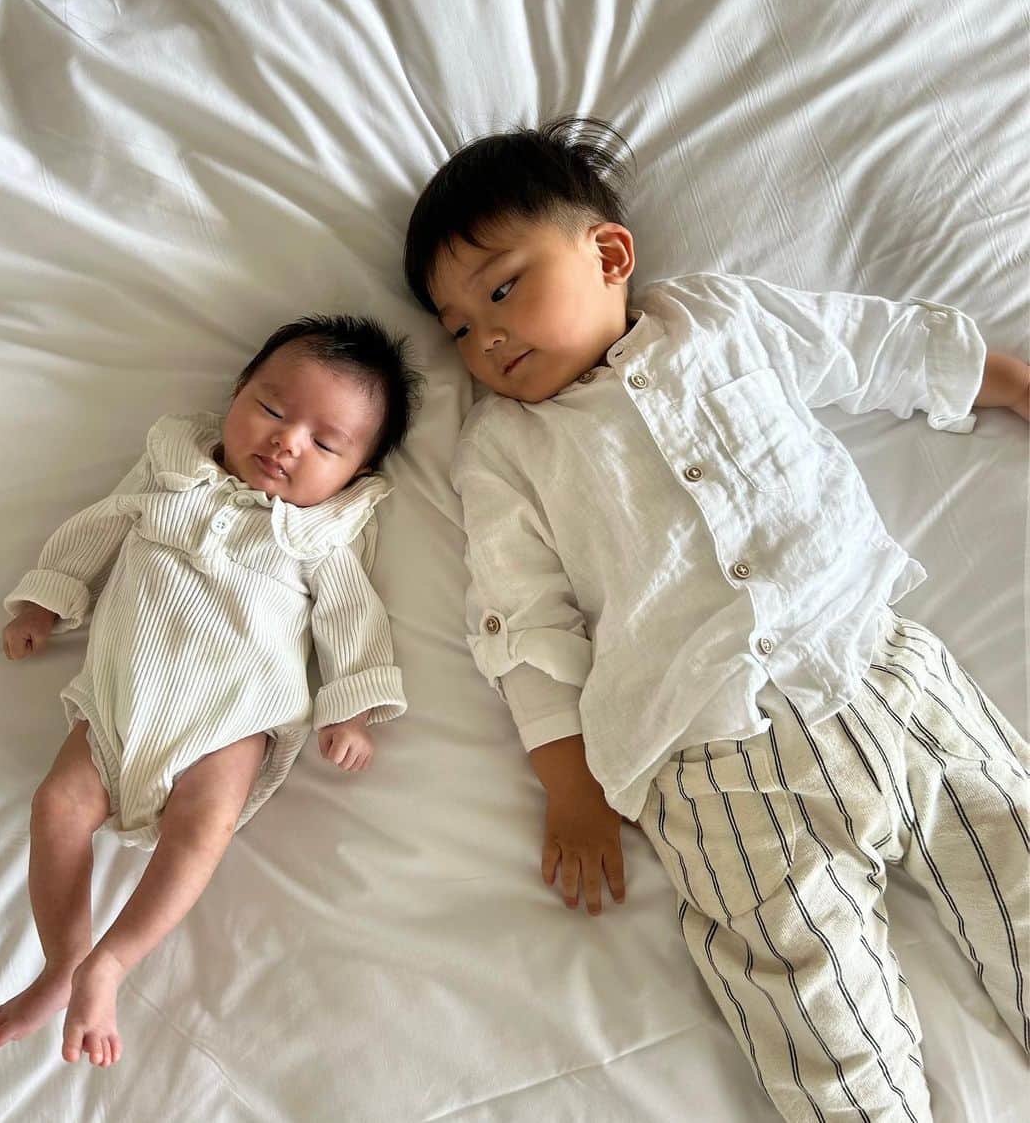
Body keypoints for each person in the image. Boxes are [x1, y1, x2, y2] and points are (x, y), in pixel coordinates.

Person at [404, 116, 1029, 1121]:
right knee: (816, 1013)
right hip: (716, 764)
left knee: (1016, 854)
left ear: (609, 254)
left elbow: (869, 344)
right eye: (460, 329)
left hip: (879, 664)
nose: (488, 338)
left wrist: (1011, 383)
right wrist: (569, 787)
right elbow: (521, 620)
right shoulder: (505, 452)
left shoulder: (718, 318)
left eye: (504, 289)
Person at [0, 315, 421, 1069]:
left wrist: (351, 707)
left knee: (201, 830)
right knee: (57, 806)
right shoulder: (171, 469)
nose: (287, 441)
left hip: (233, 717)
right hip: (122, 696)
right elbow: (99, 526)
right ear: (236, 393)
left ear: (356, 471)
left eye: (325, 443)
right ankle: (63, 960)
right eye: (272, 408)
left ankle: (111, 963)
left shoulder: (321, 535)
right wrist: (45, 601)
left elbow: (353, 617)